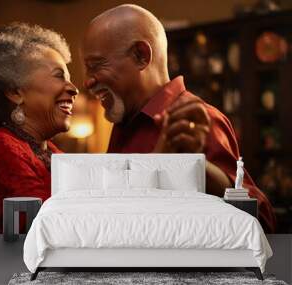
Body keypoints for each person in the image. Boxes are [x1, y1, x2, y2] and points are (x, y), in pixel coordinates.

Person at [82, 4, 276, 232]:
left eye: (96, 66)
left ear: (140, 56)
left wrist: (194, 167)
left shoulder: (199, 120)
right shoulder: (124, 124)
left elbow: (262, 223)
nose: (87, 82)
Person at [0, 23, 78, 233]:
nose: (74, 89)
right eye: (59, 76)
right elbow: (41, 226)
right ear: (15, 92)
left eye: (69, 79)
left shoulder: (53, 152)